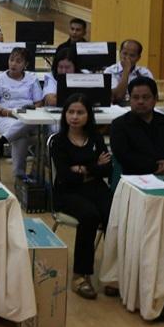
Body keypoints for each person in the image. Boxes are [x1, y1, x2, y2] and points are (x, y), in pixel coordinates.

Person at [50, 94, 113, 299]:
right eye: (71, 112)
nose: (75, 117)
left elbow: (108, 170)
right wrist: (95, 167)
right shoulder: (58, 141)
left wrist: (82, 169)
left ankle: (114, 274)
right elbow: (65, 176)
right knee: (90, 216)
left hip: (95, 188)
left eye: (80, 112)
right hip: (67, 192)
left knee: (114, 214)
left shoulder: (96, 138)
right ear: (65, 114)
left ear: (88, 115)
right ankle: (80, 275)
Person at [0, 47, 44, 179]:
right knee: (20, 135)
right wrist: (8, 113)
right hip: (4, 117)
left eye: (18, 61)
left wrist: (30, 110)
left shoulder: (32, 79)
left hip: (28, 117)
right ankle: (20, 176)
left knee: (33, 126)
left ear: (25, 64)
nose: (13, 64)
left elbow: (39, 103)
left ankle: (0, 142)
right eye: (11, 60)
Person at [110, 77, 164, 176]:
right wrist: (158, 168)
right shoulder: (119, 125)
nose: (140, 101)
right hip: (136, 178)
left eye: (146, 97)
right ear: (129, 99)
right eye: (135, 97)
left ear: (155, 98)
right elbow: (124, 157)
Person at [104, 39, 154, 103]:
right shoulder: (110, 71)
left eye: (132, 55)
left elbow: (152, 96)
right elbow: (117, 97)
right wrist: (126, 71)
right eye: (124, 54)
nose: (127, 58)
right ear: (120, 53)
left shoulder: (145, 73)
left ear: (138, 58)